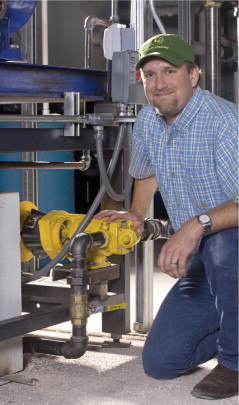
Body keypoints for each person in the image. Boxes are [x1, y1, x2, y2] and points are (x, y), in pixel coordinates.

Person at [95, 34, 238, 400]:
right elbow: (146, 172)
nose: (158, 83)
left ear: (194, 75)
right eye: (149, 74)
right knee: (162, 362)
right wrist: (137, 215)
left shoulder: (225, 124)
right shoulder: (148, 120)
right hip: (209, 261)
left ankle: (235, 364)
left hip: (230, 247)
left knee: (223, 242)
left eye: (169, 71)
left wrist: (196, 225)